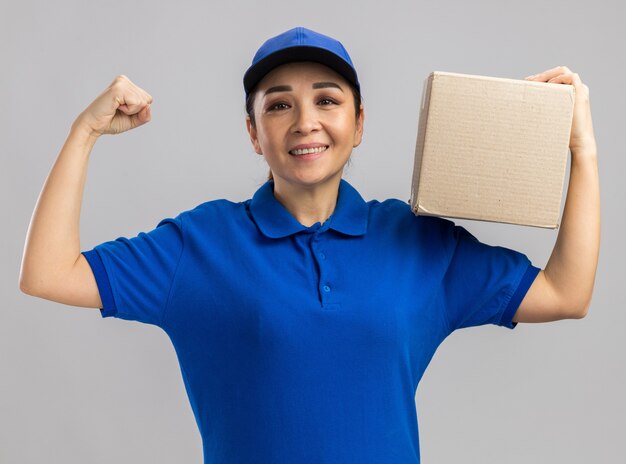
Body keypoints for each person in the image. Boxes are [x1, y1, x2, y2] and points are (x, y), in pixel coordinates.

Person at [19, 27, 599, 464]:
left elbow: (565, 292)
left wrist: (582, 154)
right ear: (253, 132)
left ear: (360, 122)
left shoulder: (415, 241)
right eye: (278, 104)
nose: (305, 121)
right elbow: (48, 272)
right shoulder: (200, 244)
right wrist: (84, 132)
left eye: (327, 100)